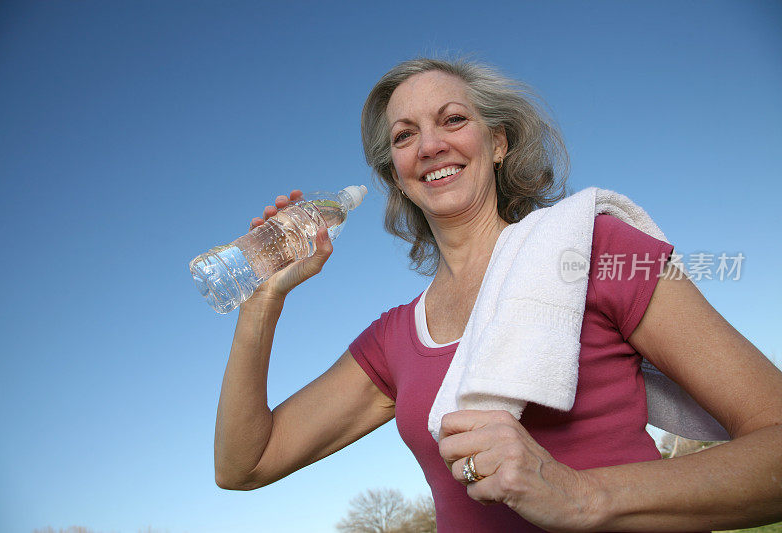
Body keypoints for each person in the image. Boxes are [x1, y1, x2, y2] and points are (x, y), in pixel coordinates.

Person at [214, 58, 782, 531]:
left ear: (499, 142)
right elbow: (244, 464)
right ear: (397, 175)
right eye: (405, 135)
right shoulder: (394, 340)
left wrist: (582, 494)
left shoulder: (596, 247)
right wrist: (260, 304)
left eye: (453, 119)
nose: (430, 145)